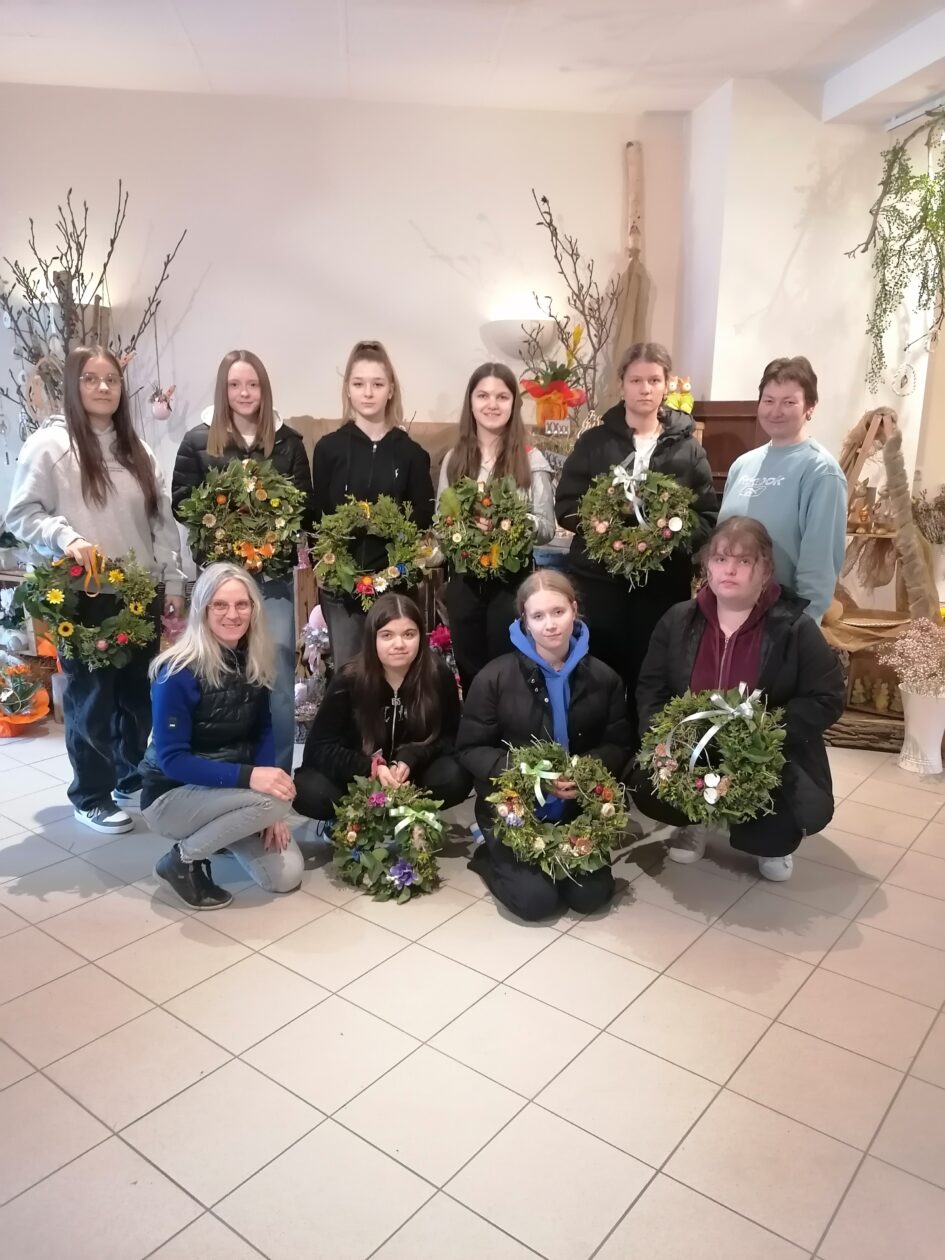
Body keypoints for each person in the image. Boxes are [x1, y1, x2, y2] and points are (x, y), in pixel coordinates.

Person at [5, 345, 185, 835]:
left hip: (139, 591)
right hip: (84, 594)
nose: (103, 387)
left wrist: (172, 582)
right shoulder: (50, 446)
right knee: (92, 698)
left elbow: (161, 524)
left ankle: (129, 778)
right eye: (91, 378)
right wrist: (64, 536)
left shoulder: (138, 450)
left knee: (137, 697)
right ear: (73, 385)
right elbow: (21, 514)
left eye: (111, 379)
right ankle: (91, 794)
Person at [633, 517, 845, 881]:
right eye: (720, 559)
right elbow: (651, 688)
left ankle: (771, 841)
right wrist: (664, 743)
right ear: (707, 567)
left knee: (774, 831)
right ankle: (696, 820)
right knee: (647, 787)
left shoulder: (794, 627)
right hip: (693, 749)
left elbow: (827, 697)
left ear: (766, 570)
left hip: (766, 758)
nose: (729, 570)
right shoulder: (679, 620)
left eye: (744, 561)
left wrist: (764, 733)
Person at [555, 341, 717, 729]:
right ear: (622, 384)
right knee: (600, 671)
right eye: (636, 380)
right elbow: (567, 504)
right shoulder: (595, 443)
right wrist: (604, 531)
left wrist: (667, 536)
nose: (645, 389)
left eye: (654, 380)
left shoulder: (687, 449)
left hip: (660, 585)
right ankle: (604, 747)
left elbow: (706, 516)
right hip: (600, 582)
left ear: (667, 385)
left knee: (654, 672)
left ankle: (649, 750)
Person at [456, 571, 630, 921]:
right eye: (538, 616)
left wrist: (583, 772)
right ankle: (488, 854)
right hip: (512, 808)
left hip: (576, 807)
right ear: (525, 620)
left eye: (558, 612)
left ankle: (556, 859)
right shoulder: (494, 678)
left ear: (574, 610)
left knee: (591, 896)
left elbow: (618, 743)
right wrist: (533, 777)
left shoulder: (604, 678)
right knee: (536, 902)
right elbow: (470, 749)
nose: (550, 625)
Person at [171, 349, 314, 772]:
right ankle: (224, 774)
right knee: (221, 680)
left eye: (252, 384)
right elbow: (182, 503)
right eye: (235, 384)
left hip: (272, 579)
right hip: (221, 581)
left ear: (264, 390)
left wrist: (269, 523)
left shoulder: (288, 442)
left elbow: (304, 507)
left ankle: (278, 777)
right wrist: (229, 517)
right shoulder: (198, 440)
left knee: (278, 677)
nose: (244, 392)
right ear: (223, 389)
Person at [142, 562, 303, 910]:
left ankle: (223, 831)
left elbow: (263, 730)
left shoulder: (253, 658)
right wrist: (253, 781)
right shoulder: (177, 672)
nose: (233, 614)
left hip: (226, 790)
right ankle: (181, 861)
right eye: (220, 605)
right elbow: (172, 761)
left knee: (286, 876)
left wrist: (267, 809)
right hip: (172, 796)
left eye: (242, 604)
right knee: (276, 798)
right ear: (202, 609)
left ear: (254, 609)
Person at [293, 592, 470, 819]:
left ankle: (410, 813)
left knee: (456, 776)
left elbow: (451, 737)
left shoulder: (437, 674)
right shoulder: (349, 679)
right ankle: (354, 818)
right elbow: (318, 749)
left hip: (411, 776)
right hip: (357, 777)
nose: (399, 644)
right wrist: (370, 767)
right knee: (308, 790)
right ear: (372, 638)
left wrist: (411, 756)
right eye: (387, 635)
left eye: (409, 634)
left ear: (420, 636)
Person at [312, 341, 434, 669]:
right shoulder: (328, 449)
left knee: (396, 672)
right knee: (350, 674)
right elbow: (318, 516)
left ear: (390, 390)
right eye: (359, 384)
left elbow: (423, 516)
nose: (368, 393)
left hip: (396, 583)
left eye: (377, 384)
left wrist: (383, 522)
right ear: (347, 389)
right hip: (342, 587)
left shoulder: (411, 453)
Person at [437, 362, 556, 694]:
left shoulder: (531, 459)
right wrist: (461, 529)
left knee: (509, 672)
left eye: (502, 397)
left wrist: (510, 523)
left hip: (511, 583)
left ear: (514, 403)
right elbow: (441, 524)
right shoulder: (454, 459)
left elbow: (547, 527)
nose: (492, 404)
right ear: (471, 402)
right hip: (465, 581)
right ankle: (476, 726)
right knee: (471, 673)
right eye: (483, 396)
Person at [718, 356, 846, 623]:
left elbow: (820, 565)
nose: (776, 411)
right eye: (768, 400)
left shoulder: (821, 471)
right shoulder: (742, 465)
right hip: (728, 615)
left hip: (780, 619)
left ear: (810, 407)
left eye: (789, 402)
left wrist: (801, 627)